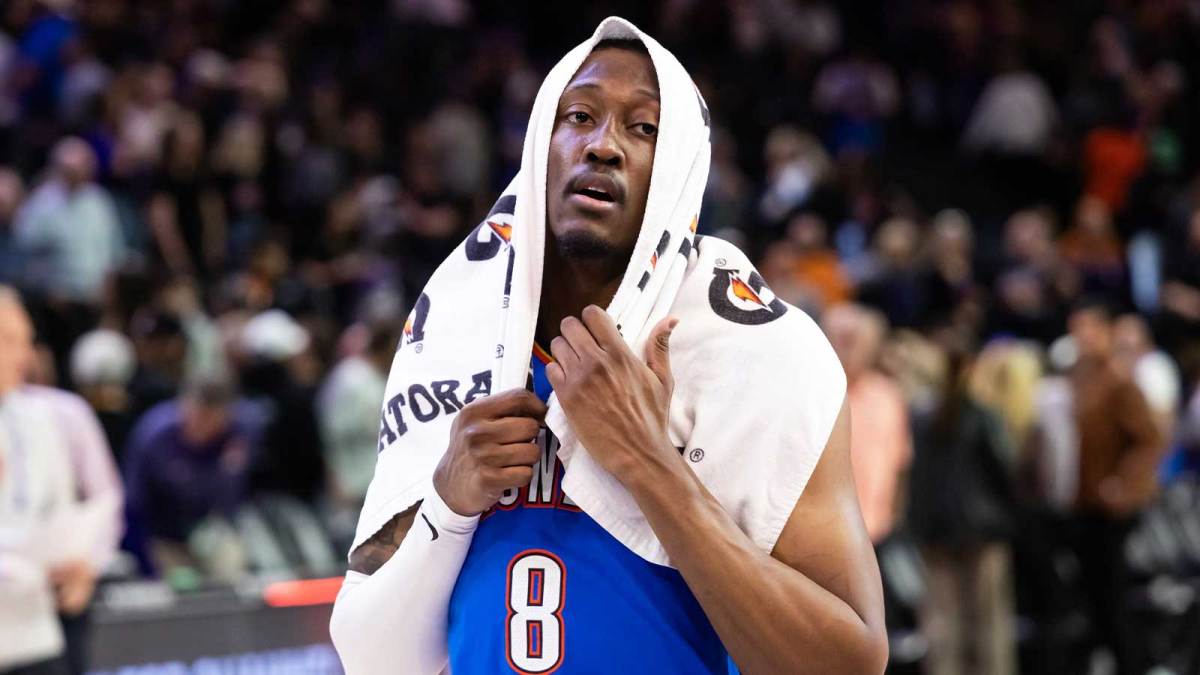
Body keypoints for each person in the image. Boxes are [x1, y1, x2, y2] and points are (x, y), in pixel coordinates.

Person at [330, 19, 886, 675]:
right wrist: (449, 508)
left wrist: (652, 464)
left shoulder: (756, 350)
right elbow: (374, 657)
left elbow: (849, 663)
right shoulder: (453, 332)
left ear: (679, 168)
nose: (603, 145)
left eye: (642, 127)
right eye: (580, 116)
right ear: (542, 142)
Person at [0, 287, 123, 675]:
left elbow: (96, 499)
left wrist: (85, 563)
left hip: (38, 619)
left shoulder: (46, 417)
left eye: (26, 340)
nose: (22, 355)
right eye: (6, 340)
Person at [1066, 298, 1164, 674]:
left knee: (1113, 595)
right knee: (1091, 595)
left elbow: (1149, 438)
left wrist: (1123, 485)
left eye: (1089, 328)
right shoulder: (1075, 378)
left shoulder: (1120, 380)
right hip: (1082, 503)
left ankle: (1132, 663)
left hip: (1111, 508)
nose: (1082, 337)